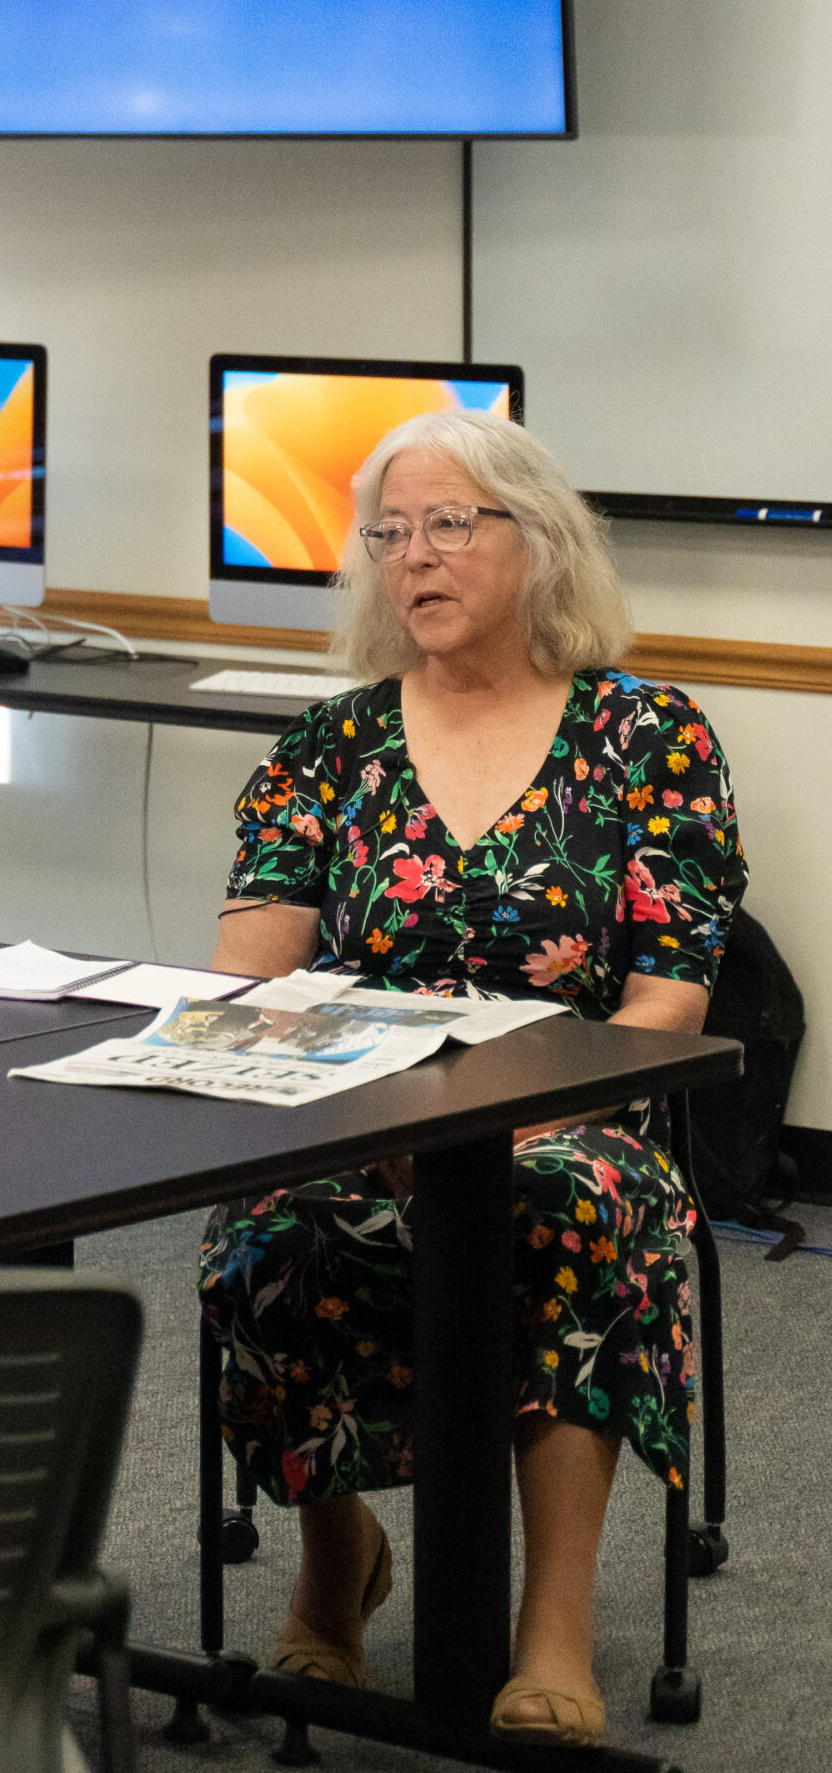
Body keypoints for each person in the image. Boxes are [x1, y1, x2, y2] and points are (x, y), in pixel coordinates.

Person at [198, 411, 744, 1747]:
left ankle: (547, 1622)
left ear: (535, 542)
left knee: (562, 1214)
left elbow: (664, 999)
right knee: (262, 1227)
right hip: (354, 1107)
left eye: (448, 525)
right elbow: (243, 975)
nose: (412, 559)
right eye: (389, 534)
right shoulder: (327, 748)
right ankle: (337, 1569)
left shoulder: (645, 735)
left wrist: (503, 1121)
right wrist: (313, 1081)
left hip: (568, 1114)